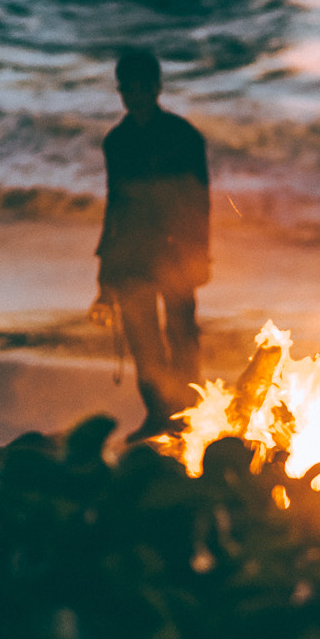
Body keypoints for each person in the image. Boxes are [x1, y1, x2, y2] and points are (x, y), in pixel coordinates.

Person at [92, 48, 211, 443]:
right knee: (143, 342)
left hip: (177, 251)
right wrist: (104, 275)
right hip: (131, 254)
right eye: (128, 88)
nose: (135, 95)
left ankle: (188, 414)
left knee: (182, 336)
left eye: (143, 87)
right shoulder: (117, 141)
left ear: (158, 88)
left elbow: (200, 200)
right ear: (121, 91)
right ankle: (159, 414)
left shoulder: (184, 136)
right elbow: (115, 205)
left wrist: (199, 253)